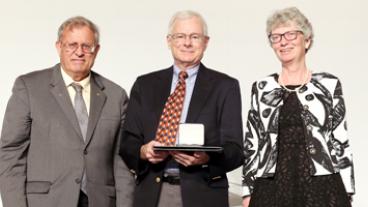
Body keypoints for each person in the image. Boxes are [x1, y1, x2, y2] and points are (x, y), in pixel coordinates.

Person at [0, 16, 134, 207]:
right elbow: (11, 153)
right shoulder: (29, 88)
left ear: (96, 51)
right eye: (72, 45)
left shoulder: (116, 96)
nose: (79, 52)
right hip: (45, 201)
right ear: (59, 47)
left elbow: (123, 161)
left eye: (86, 46)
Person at [119, 10, 244, 207]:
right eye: (180, 36)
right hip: (153, 193)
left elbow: (235, 150)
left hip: (203, 193)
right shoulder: (144, 85)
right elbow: (127, 143)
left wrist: (206, 158)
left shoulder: (225, 86)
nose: (187, 43)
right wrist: (143, 151)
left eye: (195, 37)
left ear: (206, 42)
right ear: (169, 41)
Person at [242, 7, 355, 207]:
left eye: (291, 34)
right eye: (276, 37)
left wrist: (348, 191)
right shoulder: (261, 88)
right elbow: (253, 143)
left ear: (307, 40)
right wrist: (247, 192)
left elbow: (340, 140)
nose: (283, 41)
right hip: (271, 186)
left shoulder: (329, 84)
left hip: (321, 186)